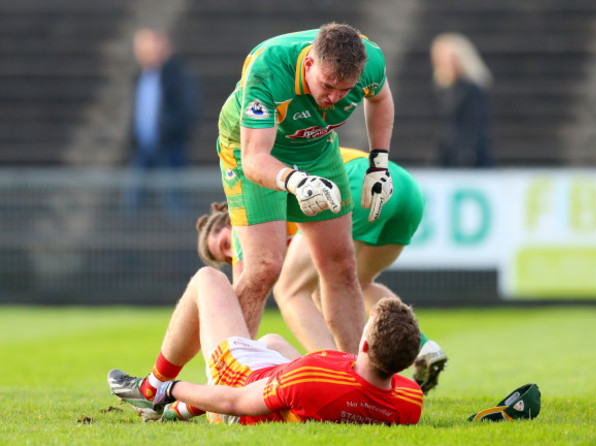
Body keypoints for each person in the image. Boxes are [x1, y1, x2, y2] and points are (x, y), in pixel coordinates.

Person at [196, 147, 448, 396]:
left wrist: (225, 377)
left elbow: (241, 305)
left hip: (355, 182)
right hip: (403, 190)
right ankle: (424, 348)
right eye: (225, 258)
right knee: (354, 286)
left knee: (289, 289)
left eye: (225, 245)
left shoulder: (244, 217)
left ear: (229, 221)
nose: (232, 255)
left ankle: (336, 378)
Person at [216, 23, 395, 354]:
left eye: (345, 91)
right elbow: (255, 158)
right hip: (253, 148)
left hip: (315, 146)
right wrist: (296, 181)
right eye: (328, 86)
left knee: (341, 265)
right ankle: (227, 383)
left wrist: (379, 164)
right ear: (310, 63)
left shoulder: (372, 62)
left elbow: (381, 99)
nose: (334, 98)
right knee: (263, 267)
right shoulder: (269, 67)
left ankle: (355, 380)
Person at [107, 266, 424, 425]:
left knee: (209, 279)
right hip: (288, 384)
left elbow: (235, 402)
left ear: (365, 346)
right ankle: (178, 412)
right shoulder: (410, 400)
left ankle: (152, 389)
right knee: (272, 341)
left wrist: (173, 388)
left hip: (238, 385)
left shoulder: (312, 377)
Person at [122, 27, 200, 215]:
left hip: (169, 144)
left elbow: (186, 109)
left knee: (174, 200)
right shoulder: (140, 76)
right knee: (132, 201)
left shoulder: (177, 75)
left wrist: (170, 132)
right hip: (143, 145)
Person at [430, 33, 495, 168]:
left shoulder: (470, 89)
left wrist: (466, 153)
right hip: (449, 156)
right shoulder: (444, 89)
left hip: (468, 158)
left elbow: (473, 125)